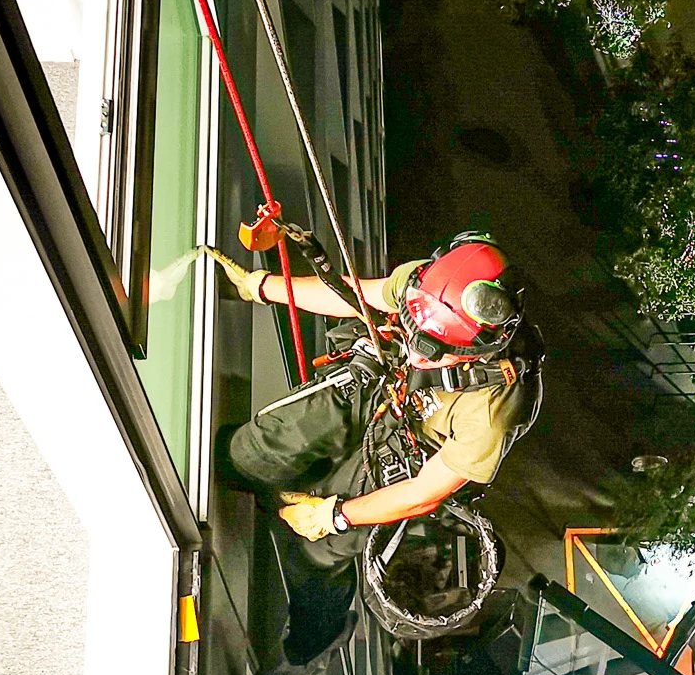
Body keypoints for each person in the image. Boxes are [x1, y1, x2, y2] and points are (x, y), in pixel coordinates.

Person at [205, 232, 544, 558]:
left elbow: (422, 493)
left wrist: (335, 516)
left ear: (478, 352)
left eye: (434, 351)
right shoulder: (427, 287)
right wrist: (262, 286)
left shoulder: (492, 414)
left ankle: (312, 576)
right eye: (413, 332)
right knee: (268, 442)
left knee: (318, 550)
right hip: (388, 379)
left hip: (417, 443)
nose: (417, 355)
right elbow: (356, 296)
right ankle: (234, 467)